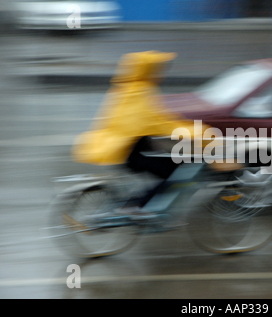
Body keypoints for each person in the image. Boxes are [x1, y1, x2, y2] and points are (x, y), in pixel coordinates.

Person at [72, 50, 206, 211]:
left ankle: (143, 205)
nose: (160, 74)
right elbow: (159, 124)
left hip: (127, 150)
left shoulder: (128, 89)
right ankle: (140, 208)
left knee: (172, 167)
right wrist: (197, 132)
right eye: (158, 70)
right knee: (176, 173)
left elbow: (158, 120)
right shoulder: (139, 92)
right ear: (148, 71)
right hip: (129, 153)